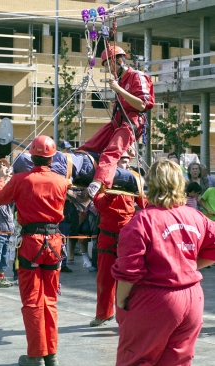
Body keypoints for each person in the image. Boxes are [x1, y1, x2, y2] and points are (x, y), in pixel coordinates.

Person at [111, 158, 215, 366]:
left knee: (136, 358)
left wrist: (121, 301)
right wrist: (187, 266)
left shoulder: (142, 220)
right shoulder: (195, 216)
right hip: (192, 298)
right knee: (177, 361)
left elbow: (129, 269)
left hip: (155, 298)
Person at [0, 135, 68, 366]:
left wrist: (0, 180)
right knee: (50, 300)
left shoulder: (21, 179)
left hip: (31, 244)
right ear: (52, 157)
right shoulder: (61, 181)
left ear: (32, 156)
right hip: (54, 243)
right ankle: (51, 354)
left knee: (32, 301)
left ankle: (36, 355)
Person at [67, 45, 154, 210]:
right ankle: (78, 184)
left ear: (119, 60)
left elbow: (142, 105)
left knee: (110, 153)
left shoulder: (137, 76)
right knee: (87, 147)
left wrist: (118, 89)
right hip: (117, 122)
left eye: (108, 64)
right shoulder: (120, 80)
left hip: (132, 121)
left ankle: (91, 192)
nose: (107, 69)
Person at [90, 152, 147, 327]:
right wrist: (115, 190)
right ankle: (103, 314)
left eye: (128, 161)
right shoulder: (101, 182)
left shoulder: (135, 179)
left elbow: (144, 204)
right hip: (108, 236)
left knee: (130, 278)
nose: (127, 165)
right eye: (123, 161)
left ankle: (128, 314)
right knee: (105, 278)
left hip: (129, 237)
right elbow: (99, 205)